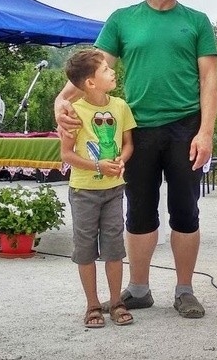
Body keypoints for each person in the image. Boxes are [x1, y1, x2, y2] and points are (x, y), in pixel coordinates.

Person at [55, 0, 217, 319]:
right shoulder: (123, 20)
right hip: (136, 129)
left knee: (185, 210)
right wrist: (59, 103)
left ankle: (185, 290)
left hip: (185, 127)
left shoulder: (196, 21)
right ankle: (140, 289)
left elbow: (210, 79)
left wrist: (205, 131)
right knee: (139, 212)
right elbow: (91, 72)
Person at [60, 48, 136, 328]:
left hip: (114, 189)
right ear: (90, 82)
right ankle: (93, 305)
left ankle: (116, 302)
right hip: (84, 192)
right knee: (86, 250)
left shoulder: (120, 107)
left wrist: (120, 161)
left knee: (114, 248)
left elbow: (128, 144)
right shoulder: (72, 112)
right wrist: (97, 167)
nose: (112, 71)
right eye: (105, 69)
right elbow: (66, 155)